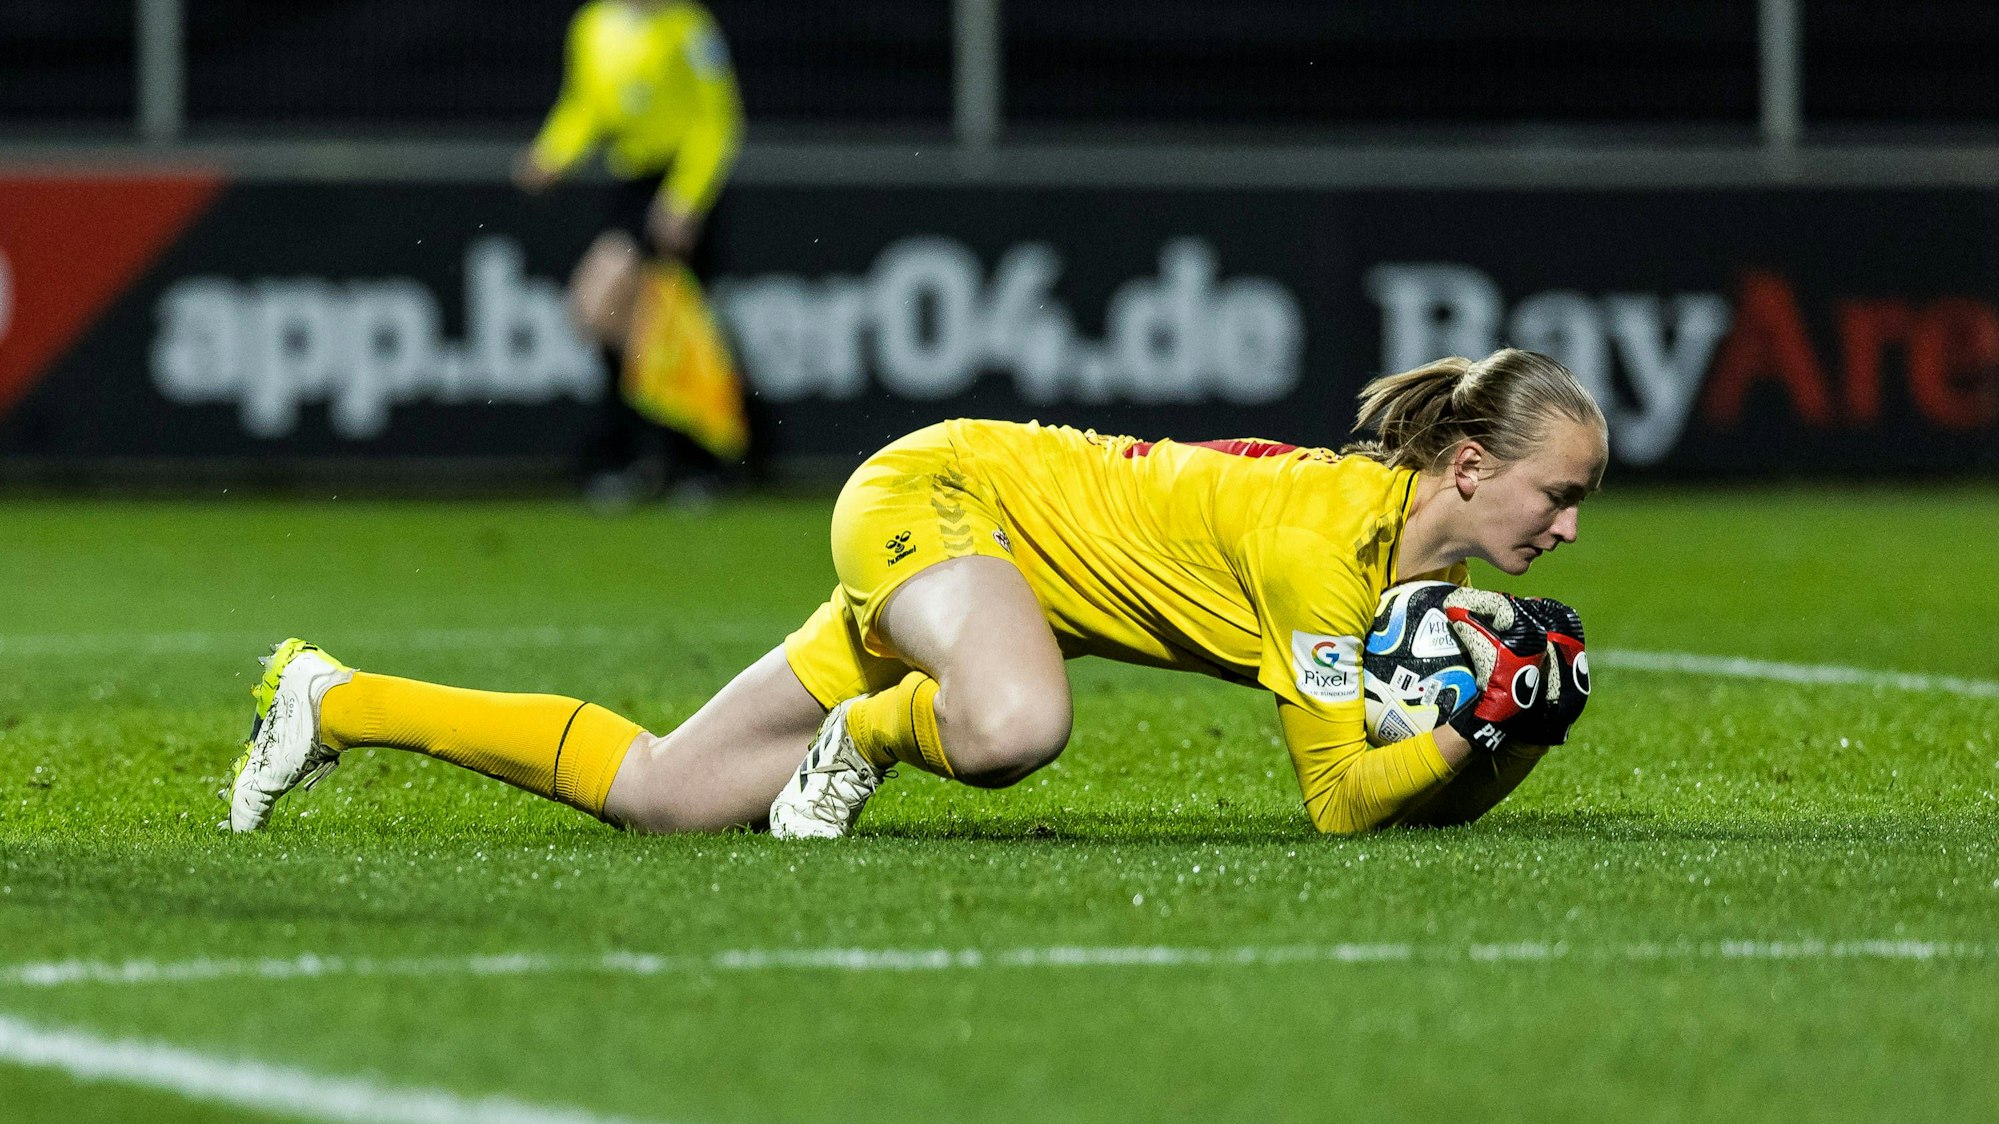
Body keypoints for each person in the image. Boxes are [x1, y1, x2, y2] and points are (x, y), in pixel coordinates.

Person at [222, 348, 1607, 838]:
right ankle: (873, 736)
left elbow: (1405, 795)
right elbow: (1337, 805)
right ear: (1471, 466)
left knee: (662, 794)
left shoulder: (1405, 566)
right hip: (943, 503)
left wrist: (1508, 732)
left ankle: (335, 698)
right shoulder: (1326, 553)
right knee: (1012, 725)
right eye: (1555, 493)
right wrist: (1463, 723)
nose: (1563, 525)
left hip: (987, 572)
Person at [514, 0, 745, 506]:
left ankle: (678, 459)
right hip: (631, 183)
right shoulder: (593, 24)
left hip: (680, 186)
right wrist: (552, 154)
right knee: (628, 325)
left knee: (658, 321)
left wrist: (684, 198)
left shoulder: (688, 27)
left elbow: (717, 123)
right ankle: (664, 456)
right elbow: (584, 105)